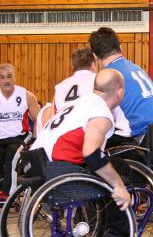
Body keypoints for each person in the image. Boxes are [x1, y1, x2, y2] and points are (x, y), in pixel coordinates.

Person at [30, 69, 130, 223]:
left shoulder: (79, 101)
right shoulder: (101, 112)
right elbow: (91, 153)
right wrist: (119, 186)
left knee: (114, 165)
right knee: (119, 174)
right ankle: (117, 231)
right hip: (56, 171)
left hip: (34, 165)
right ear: (120, 92)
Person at [89, 27, 153, 147]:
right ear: (120, 48)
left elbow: (99, 113)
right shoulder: (136, 68)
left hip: (143, 139)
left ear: (95, 56)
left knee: (92, 146)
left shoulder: (109, 75)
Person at [0, 63, 40, 200]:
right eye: (2, 77)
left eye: (9, 76)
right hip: (1, 138)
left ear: (14, 78)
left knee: (12, 152)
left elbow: (38, 119)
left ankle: (7, 194)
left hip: (20, 137)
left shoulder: (26, 95)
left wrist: (35, 139)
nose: (6, 80)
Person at [53, 47, 97, 112]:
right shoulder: (98, 80)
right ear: (93, 65)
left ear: (73, 66)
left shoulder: (60, 86)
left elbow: (53, 113)